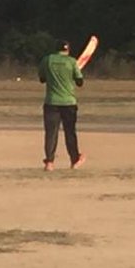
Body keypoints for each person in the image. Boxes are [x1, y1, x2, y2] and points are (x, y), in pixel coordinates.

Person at [38, 39, 86, 171]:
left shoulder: (47, 60)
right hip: (69, 102)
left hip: (51, 102)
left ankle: (49, 162)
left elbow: (42, 79)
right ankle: (74, 160)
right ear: (68, 49)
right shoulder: (72, 62)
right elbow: (80, 82)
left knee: (51, 133)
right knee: (70, 132)